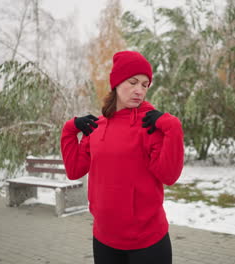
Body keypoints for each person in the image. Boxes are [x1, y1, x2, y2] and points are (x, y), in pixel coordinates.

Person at [60, 50, 184, 264]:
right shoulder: (97, 127)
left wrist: (172, 127)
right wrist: (70, 129)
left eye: (145, 85)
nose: (139, 90)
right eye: (133, 82)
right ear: (116, 83)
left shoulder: (150, 125)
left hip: (148, 243)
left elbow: (169, 175)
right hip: (104, 239)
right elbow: (74, 171)